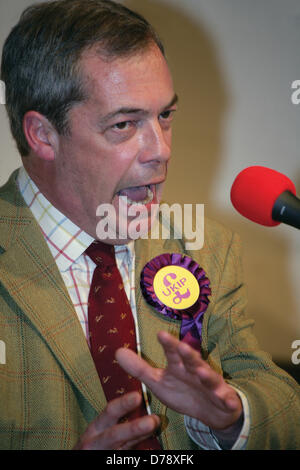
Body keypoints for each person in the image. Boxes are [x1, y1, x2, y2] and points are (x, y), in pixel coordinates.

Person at [0, 0, 299, 451]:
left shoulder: (206, 248)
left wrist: (229, 417)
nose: (159, 150)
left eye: (165, 116)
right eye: (124, 124)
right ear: (43, 135)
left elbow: (282, 407)